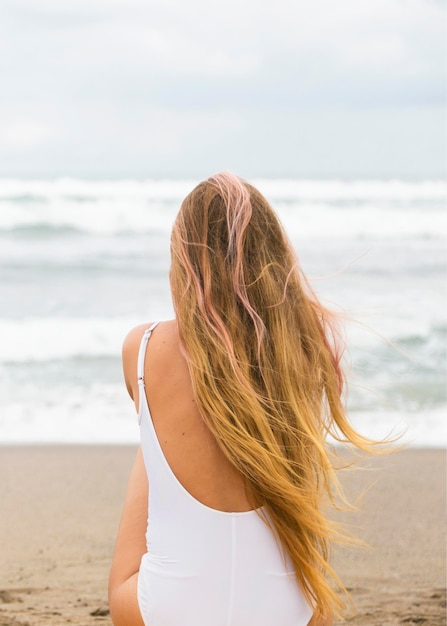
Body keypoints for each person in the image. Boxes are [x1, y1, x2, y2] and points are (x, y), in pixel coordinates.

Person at [108, 172, 377, 626]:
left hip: (170, 611)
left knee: (150, 426)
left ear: (184, 263)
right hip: (289, 612)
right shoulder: (302, 352)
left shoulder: (143, 346)